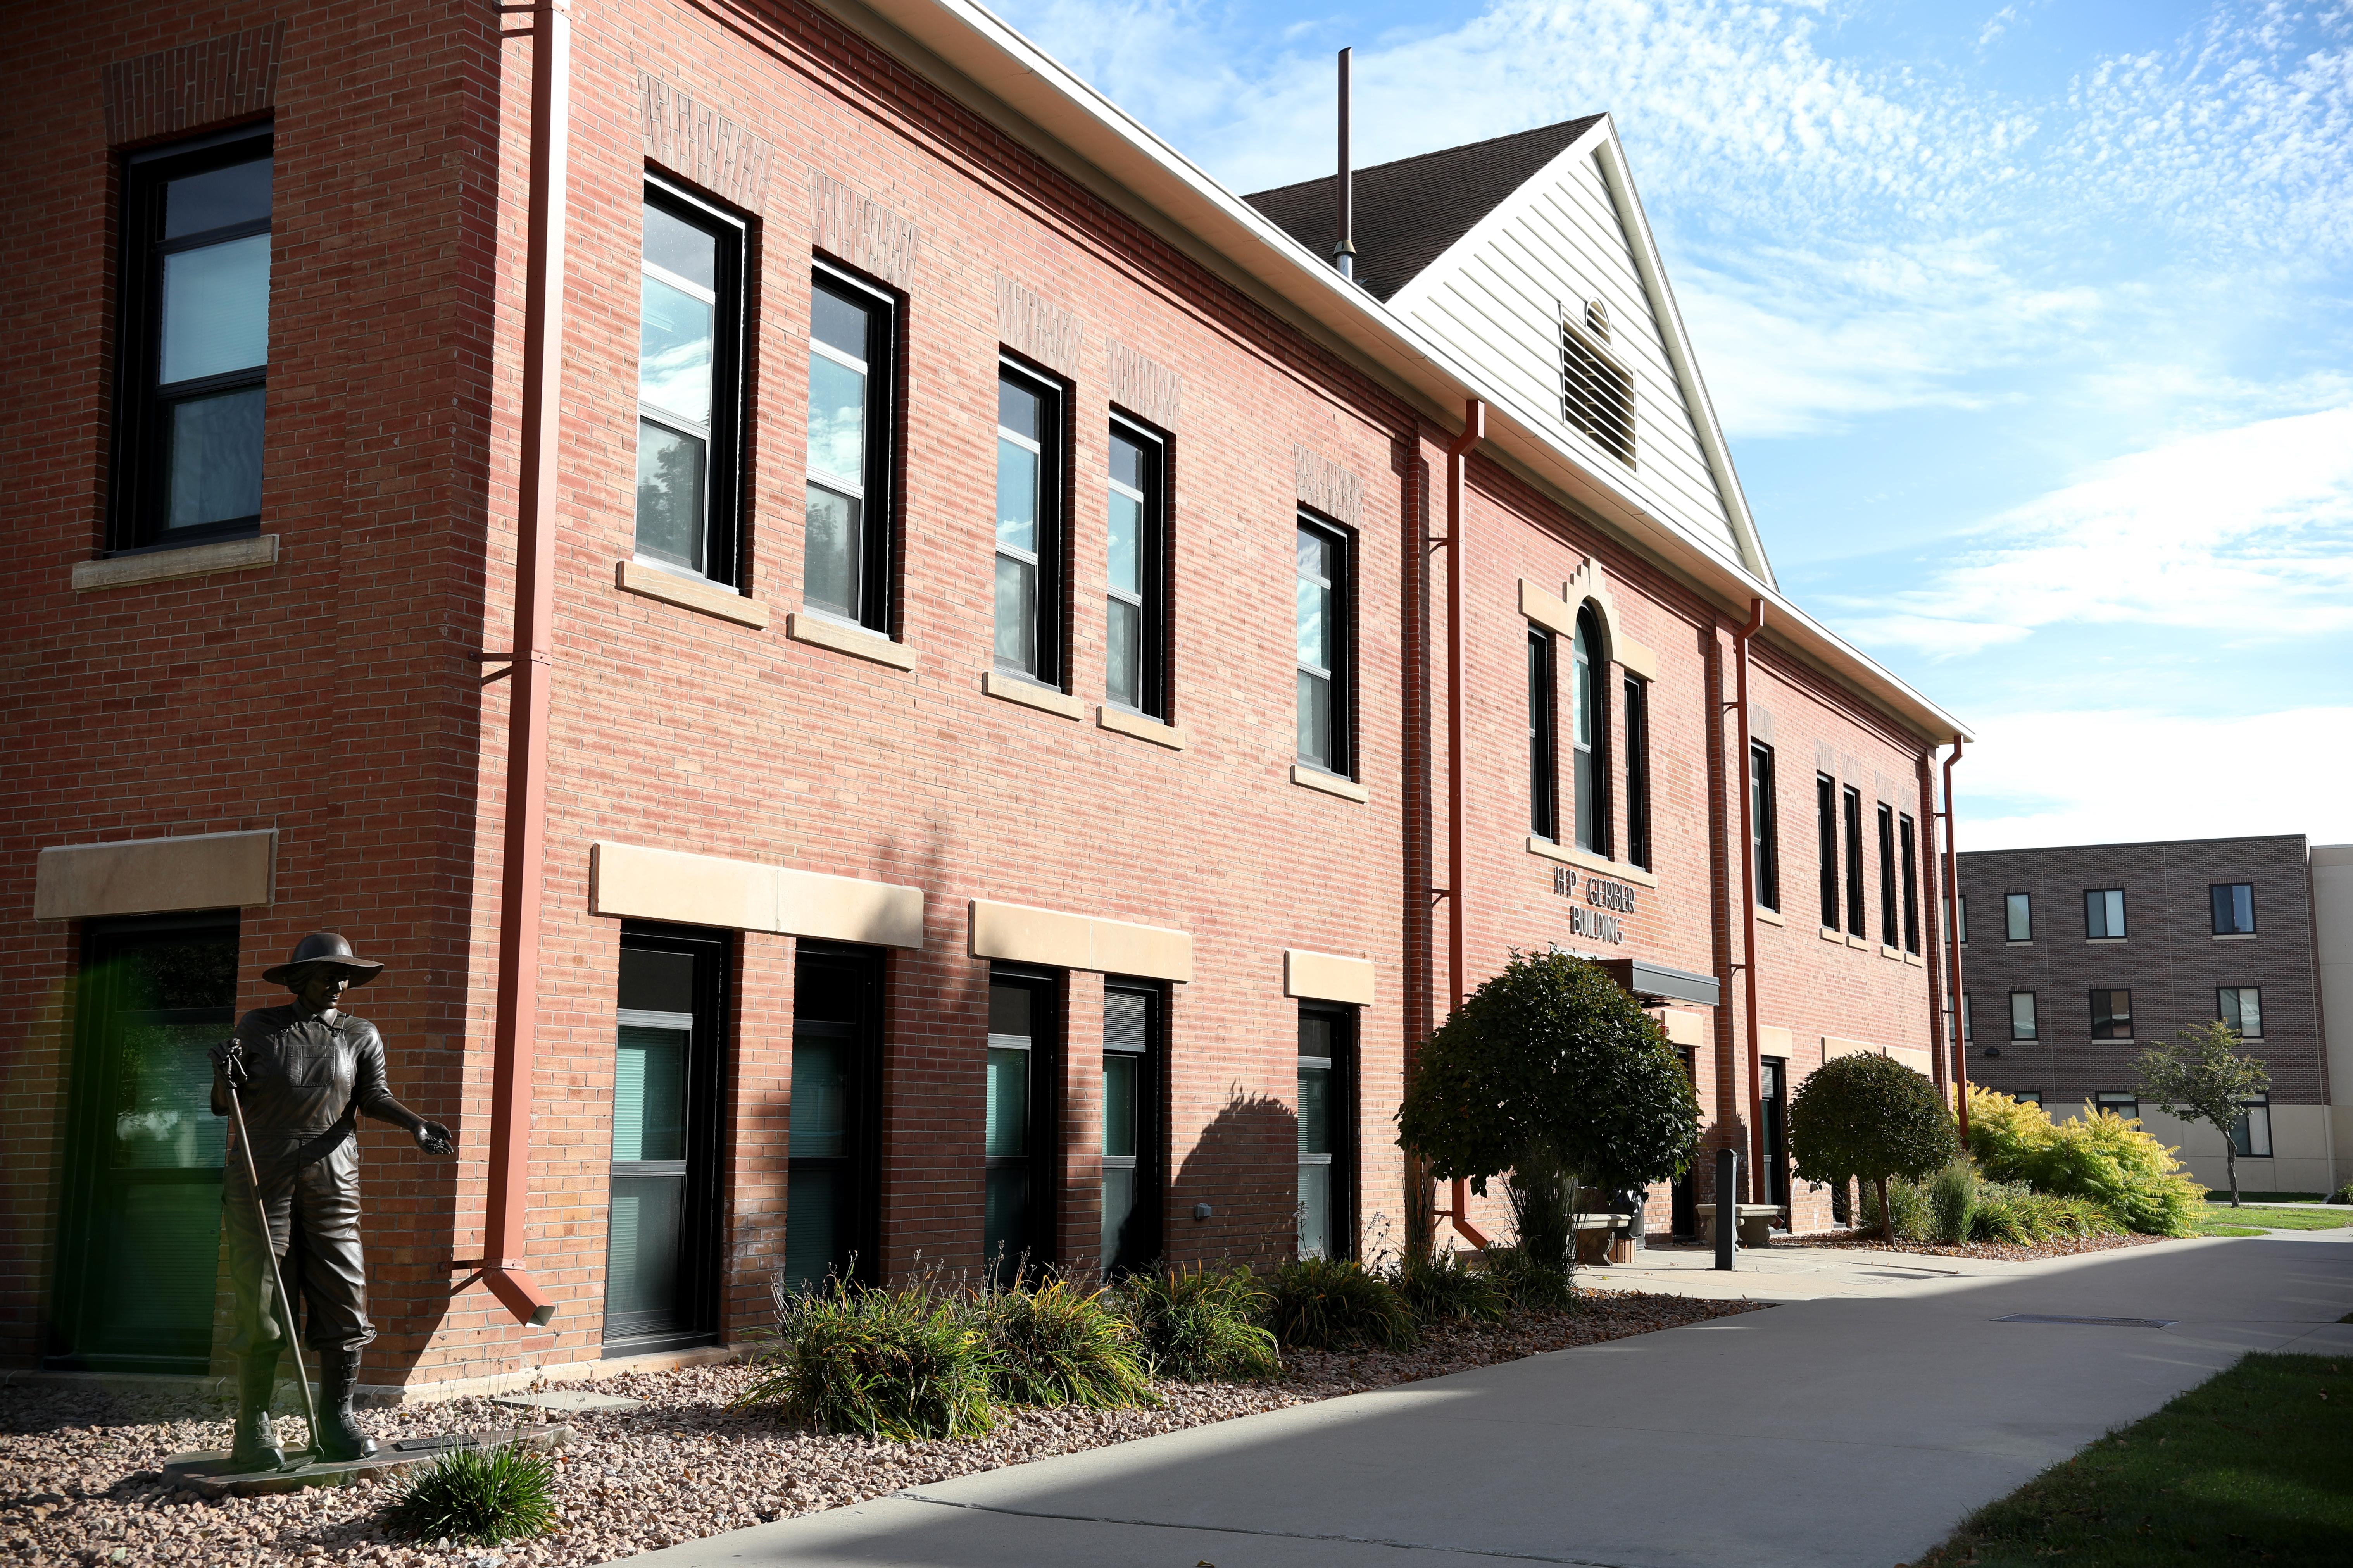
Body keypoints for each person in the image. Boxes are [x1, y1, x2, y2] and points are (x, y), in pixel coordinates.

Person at [210, 933, 452, 1468]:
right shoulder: (259, 1027)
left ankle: (337, 1417)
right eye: (327, 975)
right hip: (262, 1178)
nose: (339, 985)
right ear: (299, 979)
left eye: (345, 977)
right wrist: (222, 1072)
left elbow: (373, 1097)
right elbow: (223, 1102)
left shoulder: (360, 1034)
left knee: (344, 1291)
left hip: (332, 1176)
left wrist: (416, 1125)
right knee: (261, 1299)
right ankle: (254, 1425)